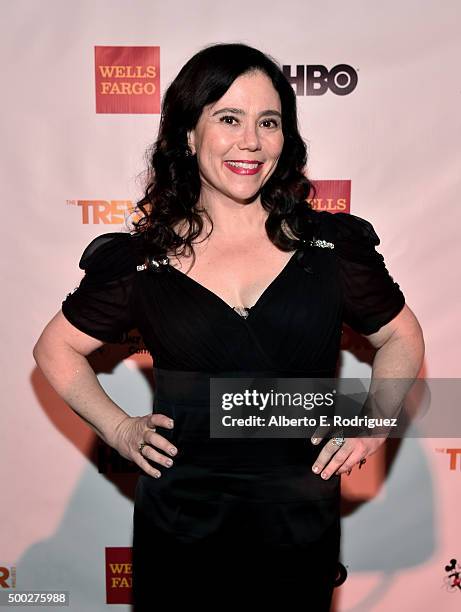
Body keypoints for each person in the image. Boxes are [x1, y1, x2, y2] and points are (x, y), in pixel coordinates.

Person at [33, 43, 424, 610]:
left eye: (269, 121)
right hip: (181, 528)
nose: (251, 141)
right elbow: (56, 349)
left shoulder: (332, 248)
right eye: (228, 118)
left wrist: (373, 421)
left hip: (298, 528)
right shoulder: (144, 262)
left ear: (285, 138)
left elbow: (401, 336)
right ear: (188, 136)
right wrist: (119, 430)